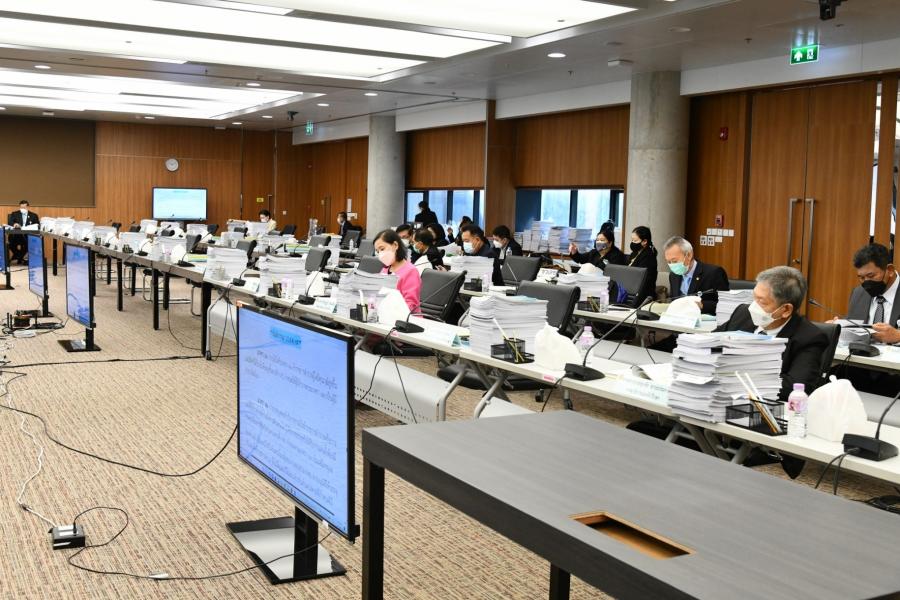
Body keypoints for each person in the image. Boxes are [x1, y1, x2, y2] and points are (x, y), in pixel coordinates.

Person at [716, 266, 829, 401]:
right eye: (754, 298)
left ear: (786, 310)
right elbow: (709, 343)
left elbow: (794, 387)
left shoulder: (809, 338)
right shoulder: (742, 313)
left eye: (761, 301)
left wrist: (739, 376)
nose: (753, 306)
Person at [846, 243, 900, 343]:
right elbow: (853, 331)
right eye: (862, 278)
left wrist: (898, 336)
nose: (866, 282)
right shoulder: (858, 294)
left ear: (890, 270)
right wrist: (838, 327)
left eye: (871, 276)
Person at [663, 236, 729, 315]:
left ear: (689, 255)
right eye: (668, 262)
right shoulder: (673, 275)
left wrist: (702, 305)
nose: (672, 265)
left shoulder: (714, 273)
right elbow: (674, 300)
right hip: (679, 319)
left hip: (704, 320)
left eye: (674, 261)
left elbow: (726, 305)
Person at [374, 228, 421, 312]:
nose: (380, 254)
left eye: (382, 249)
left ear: (395, 245)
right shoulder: (385, 270)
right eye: (378, 251)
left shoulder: (411, 271)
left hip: (404, 318)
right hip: (384, 315)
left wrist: (388, 309)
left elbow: (411, 304)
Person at [627, 226, 658, 302]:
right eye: (632, 240)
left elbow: (644, 278)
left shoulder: (649, 256)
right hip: (631, 289)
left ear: (644, 241)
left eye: (635, 240)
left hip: (643, 294)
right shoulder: (634, 253)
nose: (632, 243)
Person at [7, 200, 39, 264]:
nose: (22, 209)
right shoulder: (14, 214)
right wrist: (14, 224)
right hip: (16, 236)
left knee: (28, 244)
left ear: (28, 207)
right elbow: (10, 222)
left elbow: (37, 225)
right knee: (11, 245)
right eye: (21, 207)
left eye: (24, 207)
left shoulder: (33, 215)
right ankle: (20, 258)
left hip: (28, 236)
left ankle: (18, 257)